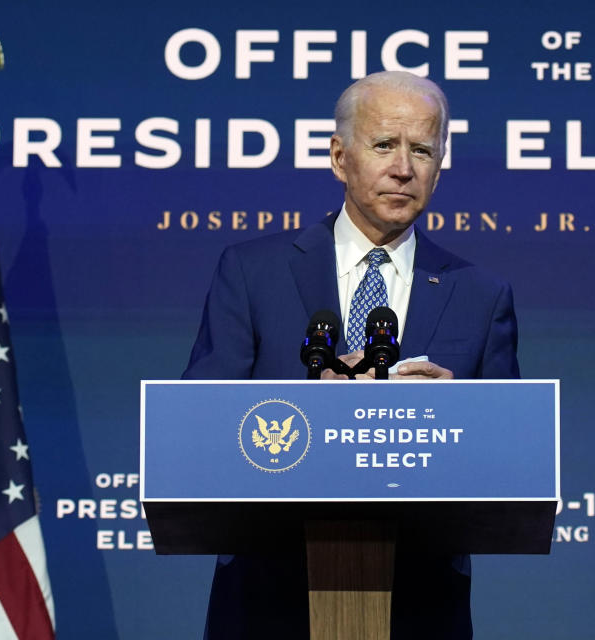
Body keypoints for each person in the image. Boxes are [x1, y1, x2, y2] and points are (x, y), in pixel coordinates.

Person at [183, 70, 520, 639]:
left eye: (422, 150)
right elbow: (198, 427)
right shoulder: (252, 271)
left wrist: (459, 414)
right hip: (268, 599)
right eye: (384, 145)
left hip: (420, 606)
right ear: (339, 157)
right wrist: (310, 408)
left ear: (439, 168)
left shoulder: (482, 295)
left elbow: (513, 463)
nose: (403, 168)